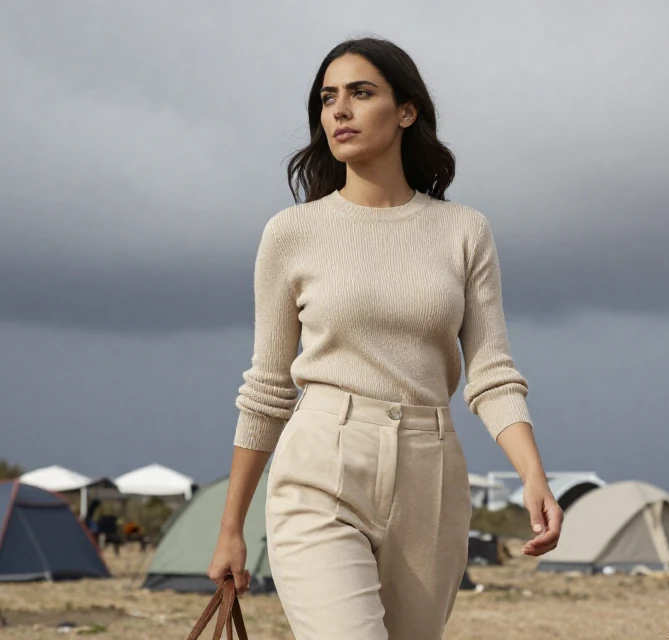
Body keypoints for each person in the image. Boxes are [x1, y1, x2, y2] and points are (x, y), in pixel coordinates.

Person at [207, 37, 563, 639]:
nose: (339, 110)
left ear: (406, 111)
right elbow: (267, 387)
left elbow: (492, 372)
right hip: (320, 465)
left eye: (361, 93)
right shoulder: (292, 233)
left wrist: (533, 475)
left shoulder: (464, 231)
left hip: (432, 475)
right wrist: (230, 527)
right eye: (328, 98)